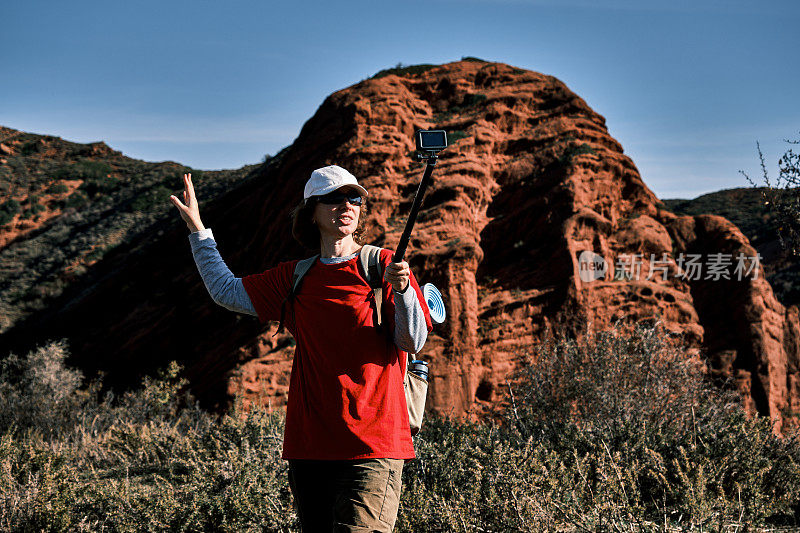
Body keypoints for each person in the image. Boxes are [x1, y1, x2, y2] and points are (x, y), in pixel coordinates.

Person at [170, 165, 432, 532]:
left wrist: (402, 292)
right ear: (312, 211)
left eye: (353, 198)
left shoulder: (384, 265)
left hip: (374, 445)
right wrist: (198, 231)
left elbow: (412, 340)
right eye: (333, 199)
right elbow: (225, 291)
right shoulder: (296, 276)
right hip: (311, 448)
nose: (346, 205)